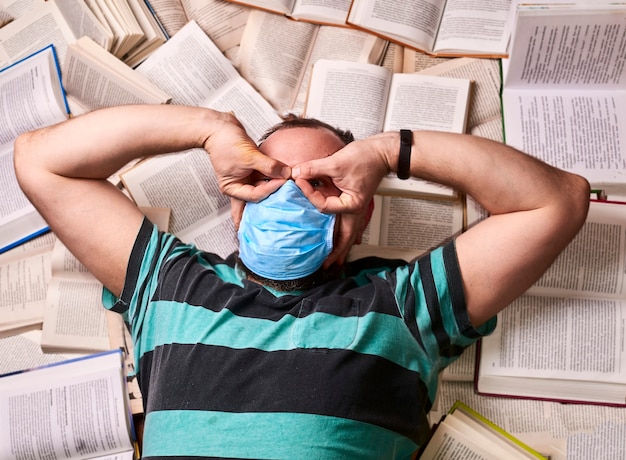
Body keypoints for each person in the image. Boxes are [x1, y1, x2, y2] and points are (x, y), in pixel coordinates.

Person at [14, 104, 590, 459]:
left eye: (322, 187)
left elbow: (555, 202)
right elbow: (41, 160)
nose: (294, 202)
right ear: (237, 207)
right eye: (270, 181)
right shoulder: (168, 282)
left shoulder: (402, 304)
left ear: (359, 216)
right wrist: (209, 128)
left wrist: (389, 152)